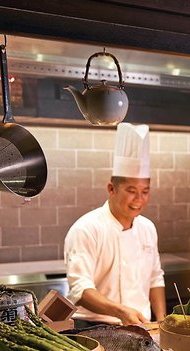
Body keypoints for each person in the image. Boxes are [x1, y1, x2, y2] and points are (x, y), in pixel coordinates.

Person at [64, 123, 166, 327]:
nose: (139, 199)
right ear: (111, 188)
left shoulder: (147, 228)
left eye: (145, 191)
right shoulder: (86, 229)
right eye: (131, 191)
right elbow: (80, 290)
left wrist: (162, 323)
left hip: (142, 326)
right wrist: (120, 312)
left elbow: (155, 278)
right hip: (94, 326)